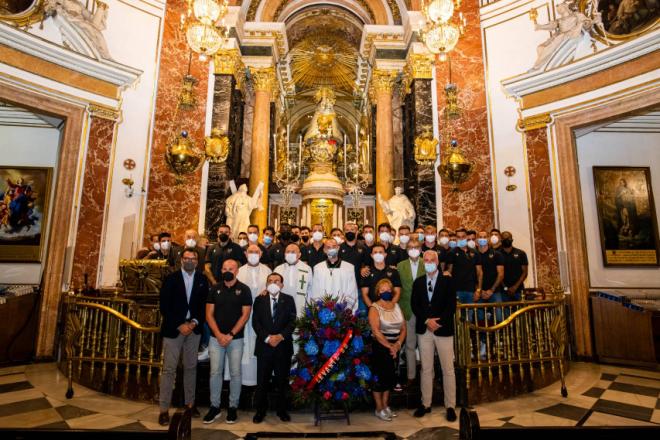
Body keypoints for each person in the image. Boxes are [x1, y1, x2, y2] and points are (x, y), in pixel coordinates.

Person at [158, 248, 208, 425]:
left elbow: (204, 306)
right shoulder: (171, 279)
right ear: (181, 260)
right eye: (186, 258)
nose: (189, 261)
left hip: (193, 330)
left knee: (191, 367)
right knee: (169, 369)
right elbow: (164, 306)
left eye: (192, 258)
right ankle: (164, 409)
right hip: (174, 329)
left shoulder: (203, 280)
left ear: (197, 261)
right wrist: (180, 324)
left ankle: (190, 404)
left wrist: (193, 322)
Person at [204, 259, 252, 425]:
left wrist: (230, 334)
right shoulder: (214, 289)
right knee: (215, 372)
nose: (227, 271)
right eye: (224, 268)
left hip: (235, 339)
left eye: (230, 268)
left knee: (235, 373)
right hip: (215, 338)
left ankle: (233, 407)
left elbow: (245, 315)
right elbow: (209, 314)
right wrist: (218, 334)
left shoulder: (244, 290)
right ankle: (215, 407)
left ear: (237, 271)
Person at [411, 250, 457, 422]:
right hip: (425, 330)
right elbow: (415, 305)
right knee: (426, 369)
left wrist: (438, 322)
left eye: (432, 260)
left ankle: (450, 406)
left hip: (443, 330)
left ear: (437, 262)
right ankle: (426, 403)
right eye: (426, 260)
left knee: (448, 369)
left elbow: (451, 305)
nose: (429, 262)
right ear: (424, 263)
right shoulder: (418, 282)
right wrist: (426, 321)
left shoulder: (447, 281)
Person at [252, 273, 297, 423]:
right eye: (270, 281)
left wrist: (280, 337)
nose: (273, 283)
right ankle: (260, 411)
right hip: (264, 347)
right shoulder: (259, 300)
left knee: (282, 382)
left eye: (276, 281)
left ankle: (282, 410)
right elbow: (256, 323)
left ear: (282, 285)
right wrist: (267, 338)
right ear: (266, 284)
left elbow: (292, 322)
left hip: (282, 347)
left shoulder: (289, 300)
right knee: (262, 381)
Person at [368, 278, 406, 422]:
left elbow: (403, 328)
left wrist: (397, 344)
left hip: (395, 347)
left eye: (388, 289)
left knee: (389, 379)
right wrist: (390, 346)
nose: (386, 292)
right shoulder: (374, 308)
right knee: (379, 379)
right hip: (379, 347)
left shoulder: (396, 306)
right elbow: (376, 331)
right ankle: (379, 408)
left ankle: (385, 406)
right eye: (383, 289)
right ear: (378, 292)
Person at [237, 245, 271, 386]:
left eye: (256, 252)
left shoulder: (268, 270)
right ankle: (243, 383)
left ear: (261, 254)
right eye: (250, 252)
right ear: (245, 254)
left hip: (261, 317)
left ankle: (260, 382)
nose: (253, 254)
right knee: (244, 347)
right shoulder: (239, 271)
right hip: (242, 315)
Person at [396, 239, 425, 386]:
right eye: (410, 247)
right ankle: (411, 377)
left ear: (420, 249)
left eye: (416, 247)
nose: (413, 249)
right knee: (410, 345)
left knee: (426, 346)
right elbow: (398, 289)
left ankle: (428, 376)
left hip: (425, 311)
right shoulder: (400, 266)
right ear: (407, 250)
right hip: (407, 309)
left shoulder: (427, 263)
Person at [310, 238, 359, 312]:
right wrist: (320, 310)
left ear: (338, 248)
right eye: (328, 247)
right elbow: (315, 291)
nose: (331, 249)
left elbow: (352, 291)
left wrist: (347, 310)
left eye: (334, 246)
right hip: (323, 312)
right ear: (324, 250)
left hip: (343, 312)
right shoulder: (318, 268)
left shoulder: (349, 268)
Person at [447, 228, 483, 313]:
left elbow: (480, 273)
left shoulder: (475, 252)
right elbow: (449, 272)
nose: (461, 239)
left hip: (471, 290)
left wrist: (478, 290)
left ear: (466, 237)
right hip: (456, 291)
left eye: (463, 236)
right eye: (459, 237)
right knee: (457, 317)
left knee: (469, 318)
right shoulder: (452, 253)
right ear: (456, 238)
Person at [274, 243, 313, 317]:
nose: (290, 254)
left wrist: (309, 307)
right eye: (287, 252)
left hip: (300, 305)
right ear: (284, 254)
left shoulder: (307, 269)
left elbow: (310, 289)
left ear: (299, 254)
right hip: (282, 306)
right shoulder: (278, 269)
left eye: (293, 252)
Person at [361, 243, 402, 308]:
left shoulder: (393, 271)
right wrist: (372, 308)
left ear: (385, 255)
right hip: (373, 308)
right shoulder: (367, 272)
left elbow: (397, 292)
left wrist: (391, 306)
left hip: (390, 308)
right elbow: (364, 294)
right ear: (371, 255)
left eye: (380, 252)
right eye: (375, 252)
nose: (378, 254)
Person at [339, 221, 371, 294]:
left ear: (356, 232)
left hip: (359, 286)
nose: (349, 232)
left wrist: (364, 268)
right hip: (342, 285)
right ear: (344, 233)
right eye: (347, 230)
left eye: (352, 230)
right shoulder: (339, 248)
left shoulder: (364, 248)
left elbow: (368, 264)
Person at [500, 231, 528, 301]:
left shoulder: (521, 253)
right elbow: (496, 274)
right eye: (504, 238)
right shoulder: (497, 254)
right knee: (505, 311)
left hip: (519, 290)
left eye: (508, 238)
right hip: (502, 291)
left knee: (521, 311)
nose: (506, 240)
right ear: (501, 240)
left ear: (512, 240)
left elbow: (525, 272)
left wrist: (515, 287)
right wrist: (505, 288)